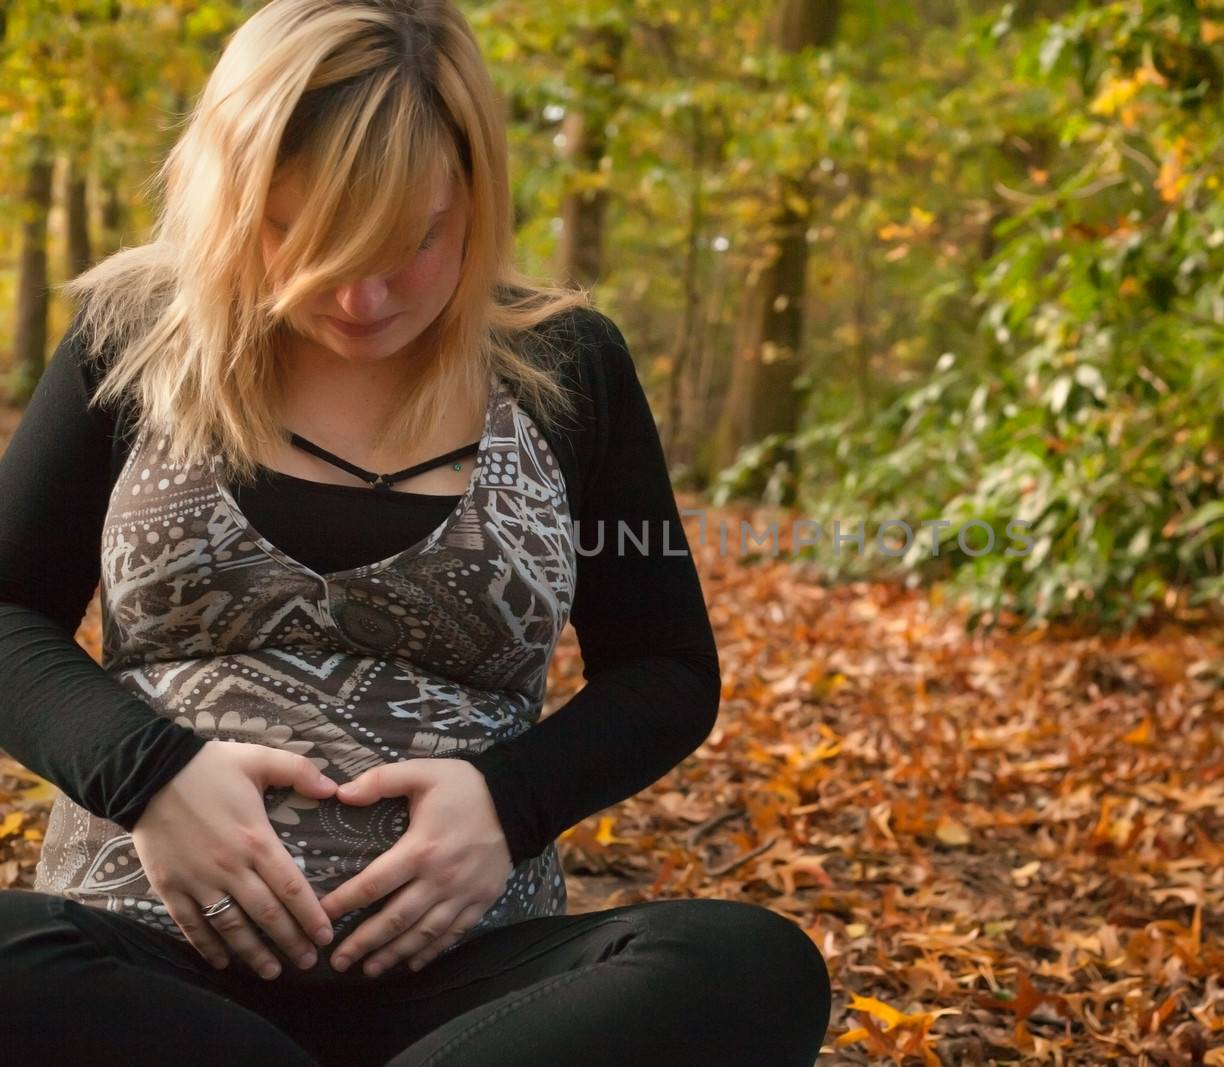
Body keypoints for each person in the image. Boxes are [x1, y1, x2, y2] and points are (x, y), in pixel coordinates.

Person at [0, 0, 833, 1064]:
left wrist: (506, 801)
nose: (360, 292)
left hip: (468, 991)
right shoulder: (135, 340)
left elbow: (667, 668)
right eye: (296, 230)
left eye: (411, 240)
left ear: (476, 193)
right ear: (231, 194)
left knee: (750, 965)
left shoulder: (568, 367)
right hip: (146, 967)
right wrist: (149, 773)